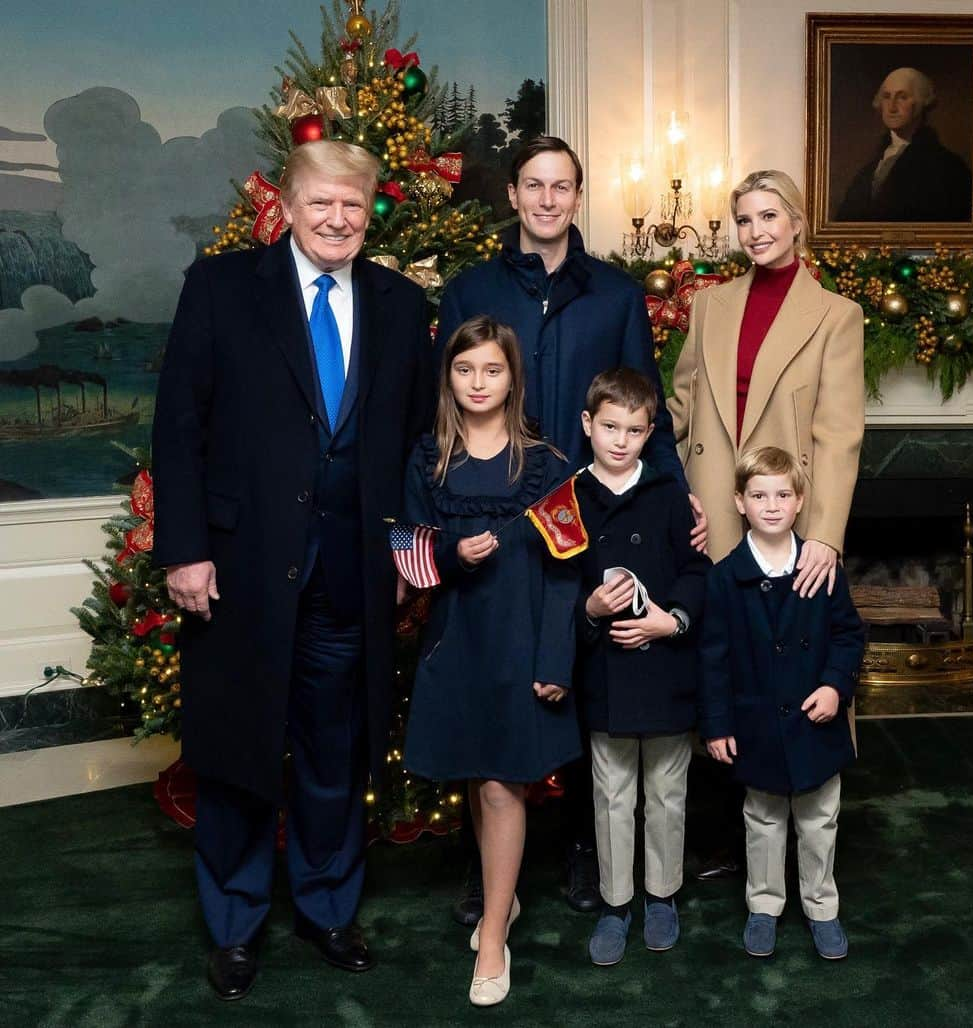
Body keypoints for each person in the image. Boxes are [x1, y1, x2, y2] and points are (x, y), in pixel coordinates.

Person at [152, 140, 433, 1001]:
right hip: (237, 571)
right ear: (286, 202)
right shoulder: (222, 287)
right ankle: (235, 926)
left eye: (354, 205)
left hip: (351, 571)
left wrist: (405, 551)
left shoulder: (398, 302)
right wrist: (186, 550)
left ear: (371, 209)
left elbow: (419, 445)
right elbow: (177, 428)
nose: (338, 219)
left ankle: (326, 908)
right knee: (239, 749)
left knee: (332, 751)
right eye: (322, 204)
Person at [437, 134, 707, 922]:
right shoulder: (472, 289)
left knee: (581, 667)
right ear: (513, 196)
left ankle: (587, 848)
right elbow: (450, 403)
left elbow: (646, 410)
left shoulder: (616, 295)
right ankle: (486, 867)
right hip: (492, 511)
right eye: (533, 185)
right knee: (496, 675)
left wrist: (678, 495)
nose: (548, 200)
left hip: (589, 516)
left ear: (577, 198)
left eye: (562, 187)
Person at [668, 169, 864, 881]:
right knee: (724, 663)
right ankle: (729, 838)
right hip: (712, 513)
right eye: (744, 219)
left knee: (787, 663)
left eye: (769, 216)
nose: (756, 231)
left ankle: (797, 849)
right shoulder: (710, 306)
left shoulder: (835, 315)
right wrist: (670, 489)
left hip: (789, 519)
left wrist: (826, 535)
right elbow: (681, 406)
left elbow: (839, 433)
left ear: (798, 222)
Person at [402, 315, 580, 1006]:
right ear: (450, 377)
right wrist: (450, 552)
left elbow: (568, 570)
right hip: (455, 643)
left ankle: (495, 935)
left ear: (513, 378)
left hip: (521, 642)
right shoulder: (428, 460)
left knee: (505, 784)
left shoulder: (545, 464)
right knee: (480, 779)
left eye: (492, 370)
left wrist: (557, 658)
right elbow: (406, 547)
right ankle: (502, 899)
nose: (479, 382)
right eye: (465, 369)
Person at [699, 446, 865, 959]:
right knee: (764, 821)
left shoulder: (822, 568)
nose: (771, 505)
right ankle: (764, 906)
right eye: (758, 495)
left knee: (819, 821)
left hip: (816, 722)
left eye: (782, 495)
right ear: (739, 502)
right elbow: (713, 658)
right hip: (756, 726)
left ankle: (822, 907)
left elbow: (848, 636)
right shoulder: (725, 577)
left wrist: (836, 687)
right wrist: (718, 724)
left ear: (799, 503)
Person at [571, 368, 710, 966]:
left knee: (667, 793)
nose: (620, 440)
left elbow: (697, 574)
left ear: (650, 432)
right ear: (588, 425)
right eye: (609, 427)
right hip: (605, 674)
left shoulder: (670, 498)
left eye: (633, 429)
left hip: (667, 673)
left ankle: (662, 895)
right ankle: (615, 902)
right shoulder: (570, 500)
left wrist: (671, 620)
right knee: (611, 794)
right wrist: (589, 608)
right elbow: (555, 587)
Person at [836, 66, 972, 223]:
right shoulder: (867, 172)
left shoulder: (948, 167)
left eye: (902, 97)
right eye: (887, 97)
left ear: (921, 103)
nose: (892, 107)